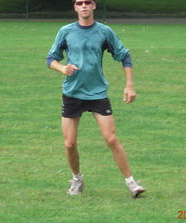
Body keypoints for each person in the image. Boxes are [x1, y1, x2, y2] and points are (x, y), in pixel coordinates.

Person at [46, 0, 145, 198]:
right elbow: (51, 59)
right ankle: (77, 179)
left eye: (87, 2)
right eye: (79, 2)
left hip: (97, 93)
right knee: (69, 144)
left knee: (111, 139)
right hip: (73, 94)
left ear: (94, 6)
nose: (83, 5)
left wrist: (129, 84)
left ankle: (131, 183)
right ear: (75, 7)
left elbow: (124, 56)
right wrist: (63, 68)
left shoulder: (104, 32)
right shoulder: (65, 31)